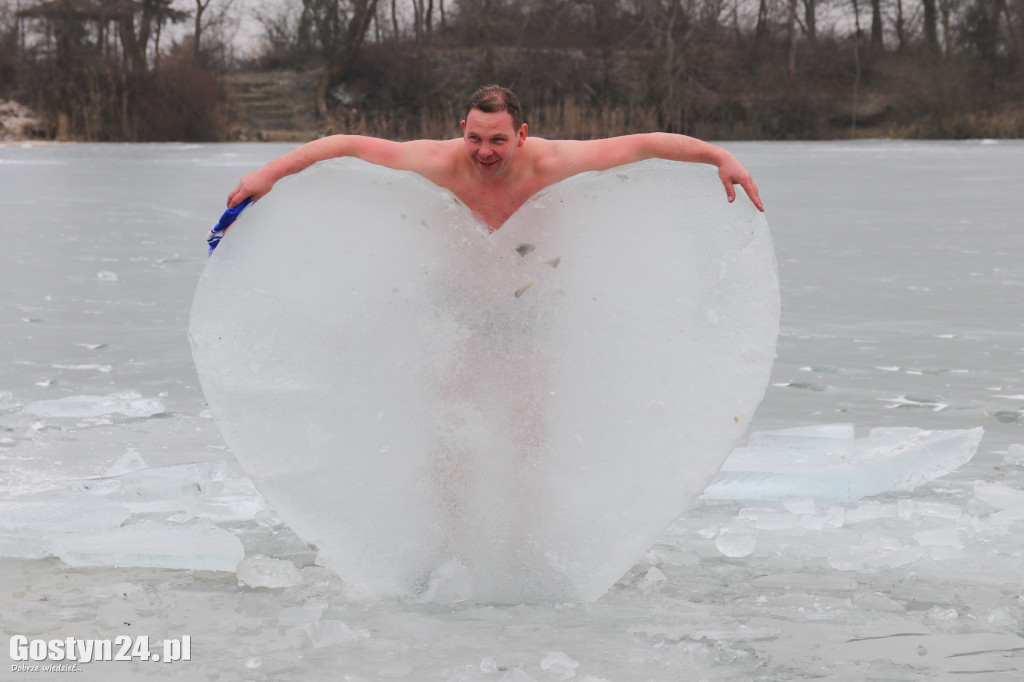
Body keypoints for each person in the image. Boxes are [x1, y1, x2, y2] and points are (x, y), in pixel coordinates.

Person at [227, 85, 763, 231]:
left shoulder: (554, 162)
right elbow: (345, 144)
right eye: (475, 138)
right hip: (455, 298)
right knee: (451, 421)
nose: (484, 152)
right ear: (463, 130)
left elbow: (643, 143)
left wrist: (717, 156)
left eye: (498, 141)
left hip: (533, 294)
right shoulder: (437, 161)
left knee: (530, 420)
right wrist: (269, 172)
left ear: (522, 135)